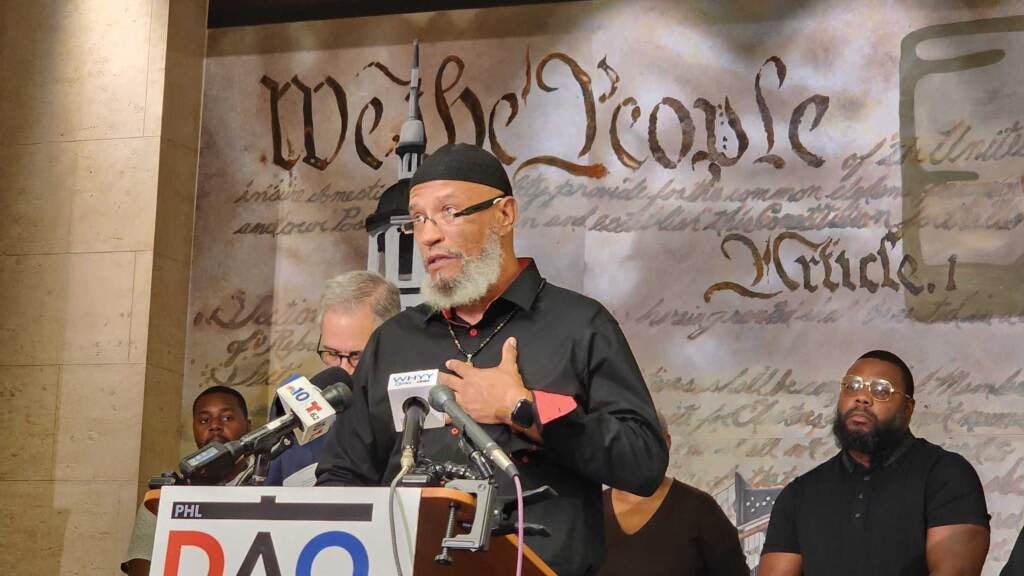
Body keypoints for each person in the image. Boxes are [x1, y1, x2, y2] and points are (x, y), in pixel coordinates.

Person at [316, 143, 668, 575]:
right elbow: (342, 476)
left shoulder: (580, 325)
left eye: (449, 212)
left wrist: (524, 411)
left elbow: (643, 462)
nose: (428, 235)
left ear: (504, 215)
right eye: (419, 218)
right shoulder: (394, 341)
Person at [759, 350, 990, 576]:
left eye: (881, 390)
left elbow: (955, 570)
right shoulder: (799, 494)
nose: (862, 398)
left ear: (908, 409)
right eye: (852, 386)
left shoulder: (946, 475)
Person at [264, 271, 400, 486]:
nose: (343, 370)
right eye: (332, 353)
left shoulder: (409, 410)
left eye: (356, 356)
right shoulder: (296, 401)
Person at [120, 386, 253, 575]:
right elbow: (141, 567)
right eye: (204, 420)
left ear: (248, 425)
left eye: (227, 418)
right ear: (194, 428)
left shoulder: (272, 480)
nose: (214, 425)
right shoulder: (166, 496)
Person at [599, 412, 748, 576]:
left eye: (645, 440)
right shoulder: (589, 510)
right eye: (622, 441)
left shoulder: (700, 510)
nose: (633, 451)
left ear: (667, 442)